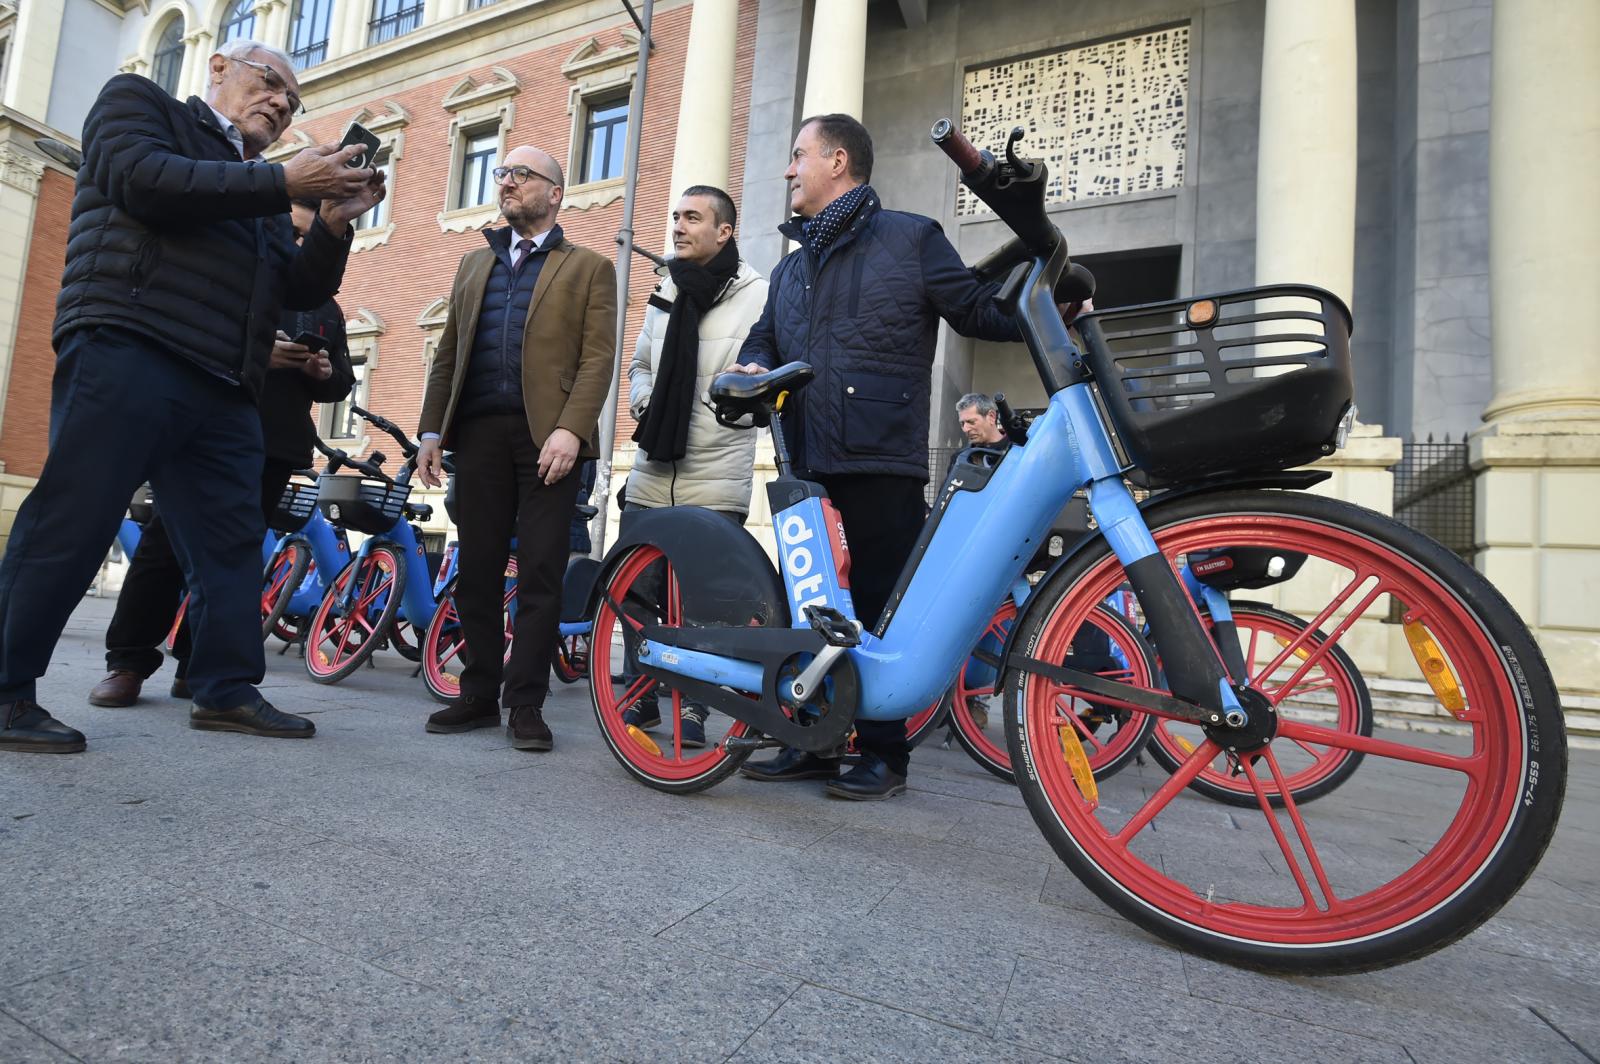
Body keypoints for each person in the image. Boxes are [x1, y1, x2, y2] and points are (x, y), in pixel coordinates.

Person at [0, 42, 383, 754]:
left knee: (232, 545)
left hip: (222, 381)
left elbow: (293, 290)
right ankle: (6, 690)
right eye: (269, 82)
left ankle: (225, 688)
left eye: (293, 102)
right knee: (72, 522)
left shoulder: (264, 188)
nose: (279, 102)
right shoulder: (141, 105)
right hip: (130, 342)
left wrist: (331, 222)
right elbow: (144, 181)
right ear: (217, 68)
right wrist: (280, 180)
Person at [734, 114, 1021, 800]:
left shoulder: (911, 238)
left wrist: (1054, 302)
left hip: (880, 457)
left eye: (797, 154)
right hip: (804, 459)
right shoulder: (790, 269)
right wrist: (749, 364)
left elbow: (978, 312)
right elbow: (764, 339)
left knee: (873, 609)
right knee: (810, 607)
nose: (788, 169)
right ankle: (813, 738)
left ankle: (885, 756)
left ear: (837, 161)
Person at [85, 197, 356, 709]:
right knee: (164, 549)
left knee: (235, 559)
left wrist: (323, 374)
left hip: (275, 444)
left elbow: (341, 380)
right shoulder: (236, 275)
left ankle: (198, 666)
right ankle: (127, 661)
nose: (299, 244)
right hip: (202, 430)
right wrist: (257, 351)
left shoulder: (325, 303)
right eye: (293, 233)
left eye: (308, 236)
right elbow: (191, 340)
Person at [416, 146, 616, 752]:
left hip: (547, 442)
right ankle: (477, 692)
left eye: (521, 175)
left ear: (555, 192)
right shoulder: (474, 264)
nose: (506, 182)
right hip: (476, 437)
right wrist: (431, 431)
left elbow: (597, 358)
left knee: (539, 573)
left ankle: (525, 702)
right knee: (475, 570)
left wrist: (570, 429)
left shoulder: (588, 268)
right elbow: (448, 352)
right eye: (501, 173)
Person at [618, 185, 769, 748]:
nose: (678, 226)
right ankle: (640, 698)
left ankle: (697, 708)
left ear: (724, 231)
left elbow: (764, 370)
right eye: (675, 215)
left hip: (715, 471)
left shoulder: (758, 295)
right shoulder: (666, 284)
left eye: (692, 218)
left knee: (707, 602)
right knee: (634, 591)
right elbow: (639, 363)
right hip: (652, 470)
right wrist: (643, 403)